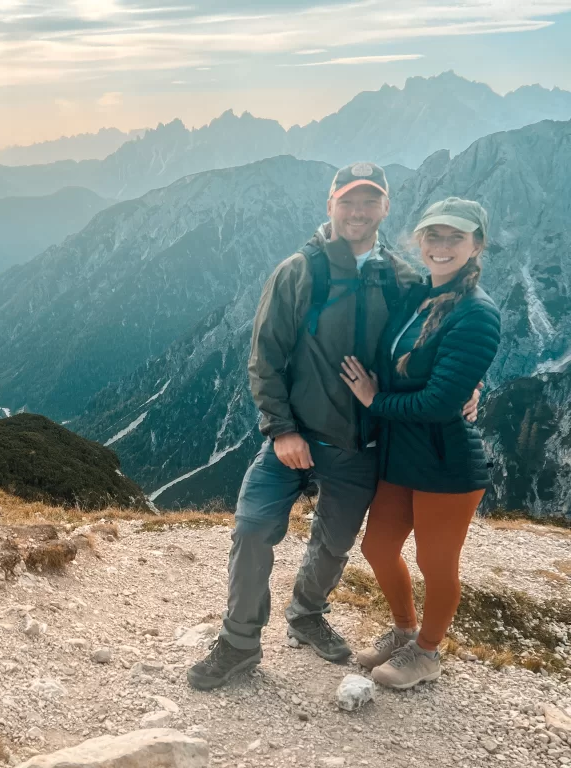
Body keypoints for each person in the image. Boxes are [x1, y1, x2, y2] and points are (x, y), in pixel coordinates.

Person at [186, 164, 480, 691]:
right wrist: (281, 431)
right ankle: (238, 642)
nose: (357, 212)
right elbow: (265, 358)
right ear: (330, 206)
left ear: (385, 208)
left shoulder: (403, 280)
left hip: (360, 447)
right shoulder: (299, 271)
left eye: (369, 201)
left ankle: (306, 615)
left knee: (334, 543)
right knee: (252, 529)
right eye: (348, 201)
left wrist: (469, 386)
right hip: (294, 437)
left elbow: (439, 338)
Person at [340, 198, 500, 690]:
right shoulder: (418, 296)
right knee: (377, 547)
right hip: (401, 455)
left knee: (436, 563)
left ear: (476, 245)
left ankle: (427, 653)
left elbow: (437, 403)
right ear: (420, 240)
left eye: (456, 237)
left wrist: (374, 400)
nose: (442, 246)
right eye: (434, 235)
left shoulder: (477, 314)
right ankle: (405, 630)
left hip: (445, 462)